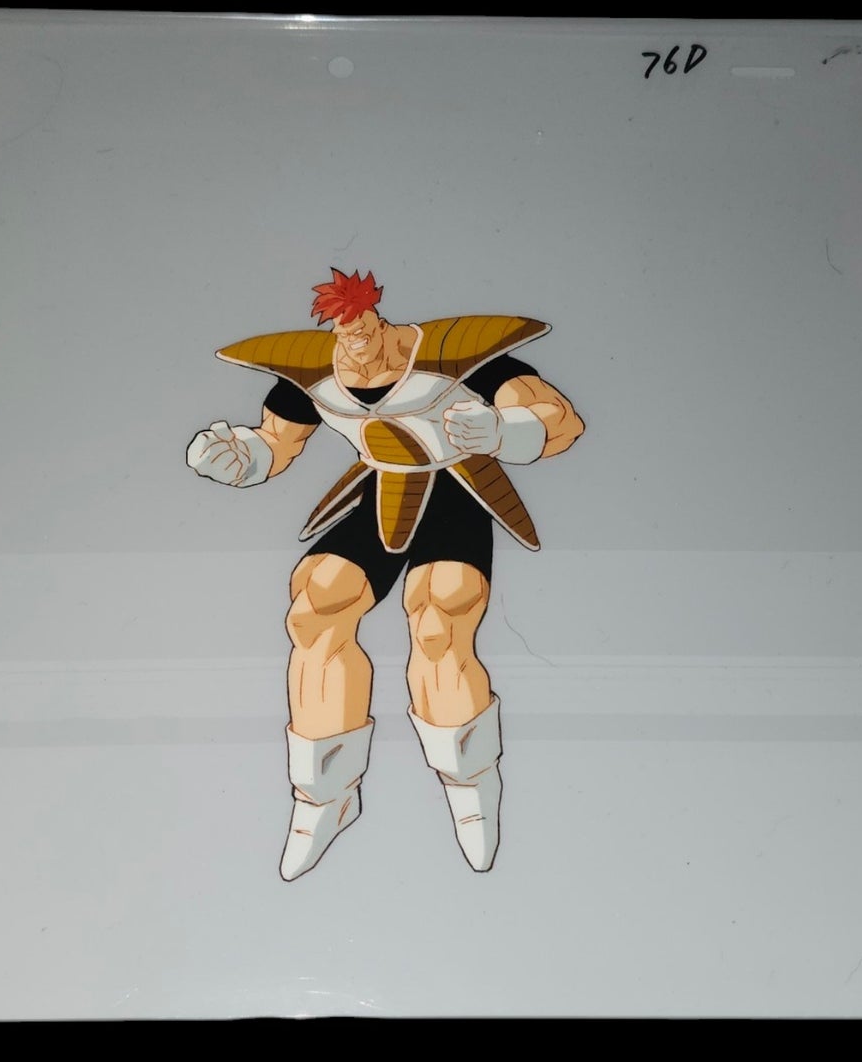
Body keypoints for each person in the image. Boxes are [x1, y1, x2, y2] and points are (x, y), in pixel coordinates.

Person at [186, 269, 585, 880]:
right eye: (344, 342)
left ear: (380, 322)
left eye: (366, 337)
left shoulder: (458, 353)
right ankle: (324, 796)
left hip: (455, 487)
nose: (358, 355)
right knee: (315, 607)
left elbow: (559, 418)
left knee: (440, 617)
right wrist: (242, 457)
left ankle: (471, 785)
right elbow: (276, 440)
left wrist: (506, 431)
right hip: (380, 490)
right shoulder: (316, 366)